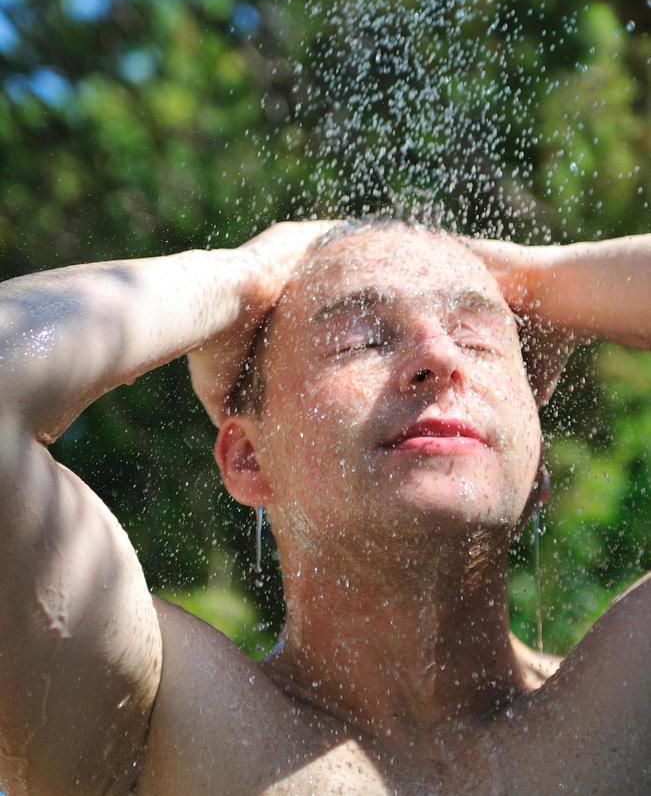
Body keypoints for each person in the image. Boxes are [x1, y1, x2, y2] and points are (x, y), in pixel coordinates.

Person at [0, 218, 649, 795]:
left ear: (536, 463)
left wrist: (544, 278)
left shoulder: (631, 700)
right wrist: (239, 276)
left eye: (476, 337)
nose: (439, 358)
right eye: (361, 339)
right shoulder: (166, 718)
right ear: (250, 459)